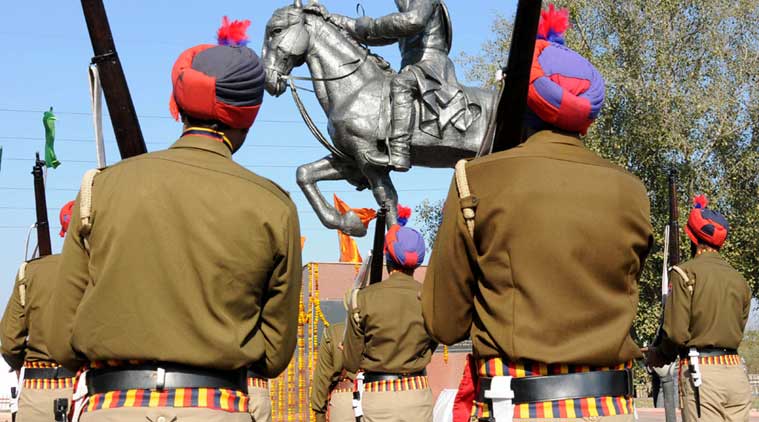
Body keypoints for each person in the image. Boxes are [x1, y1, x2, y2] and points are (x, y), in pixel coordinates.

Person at [47, 17, 302, 422]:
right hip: (218, 409)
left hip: (112, 408)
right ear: (248, 116)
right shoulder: (274, 206)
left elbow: (61, 340)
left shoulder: (99, 189)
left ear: (178, 104)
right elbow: (274, 353)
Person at [422, 5, 653, 422]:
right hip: (613, 409)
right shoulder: (632, 191)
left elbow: (444, 324)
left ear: (518, 100)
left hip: (519, 408)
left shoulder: (475, 180)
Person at [313, 0, 476, 172]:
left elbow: (413, 21)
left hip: (431, 64)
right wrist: (330, 18)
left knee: (400, 83)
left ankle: (399, 150)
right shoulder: (406, 8)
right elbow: (375, 34)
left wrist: (371, 25)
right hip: (413, 66)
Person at [647, 195, 752, 422]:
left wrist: (660, 354)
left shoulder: (684, 273)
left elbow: (676, 333)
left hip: (702, 374)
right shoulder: (740, 280)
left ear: (692, 237)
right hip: (736, 373)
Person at [343, 208, 437, 422]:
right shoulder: (430, 298)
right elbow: (436, 338)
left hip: (379, 397)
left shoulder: (362, 298)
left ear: (388, 258)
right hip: (418, 394)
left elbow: (351, 362)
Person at [0, 201, 77, 422]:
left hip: (37, 393)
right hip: (86, 391)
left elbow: (10, 342)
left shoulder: (29, 271)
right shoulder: (100, 270)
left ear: (64, 232)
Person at [310, 321, 355, 422]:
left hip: (345, 402)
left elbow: (322, 380)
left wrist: (320, 414)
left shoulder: (334, 332)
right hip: (384, 394)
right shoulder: (387, 328)